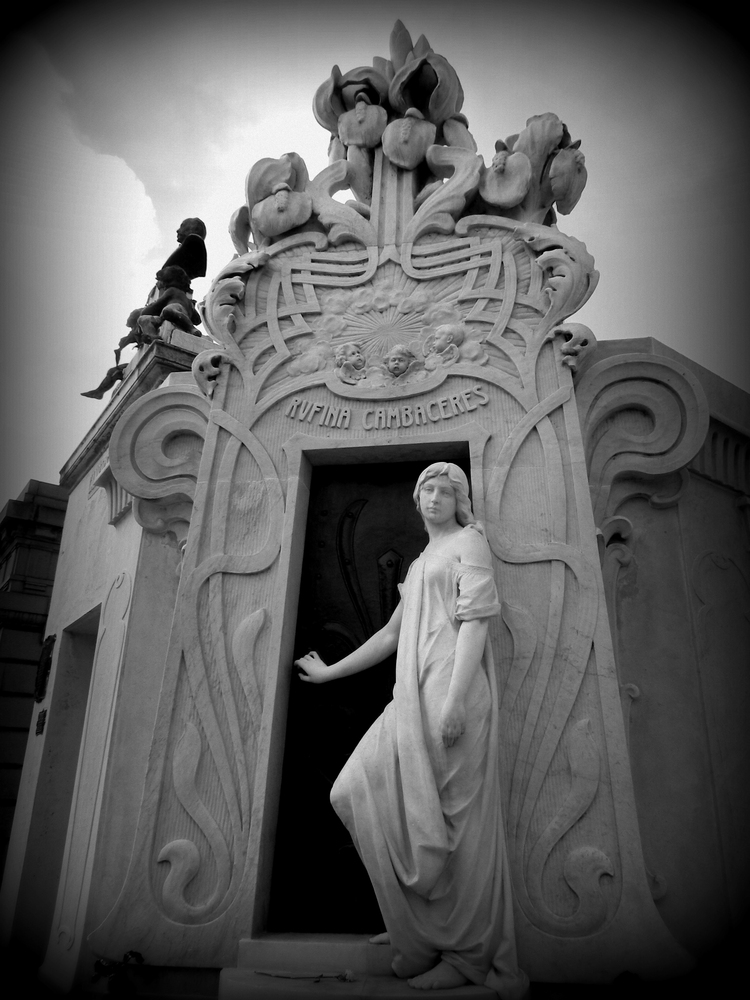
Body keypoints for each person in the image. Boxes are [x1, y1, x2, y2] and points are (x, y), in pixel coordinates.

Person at [295, 463, 528, 998]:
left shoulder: (471, 543)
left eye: (445, 491)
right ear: (415, 499)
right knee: (353, 790)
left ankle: (467, 956)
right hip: (413, 697)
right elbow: (391, 634)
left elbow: (476, 619)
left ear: (459, 500)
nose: (433, 498)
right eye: (426, 489)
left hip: (455, 694)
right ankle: (417, 930)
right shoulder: (423, 561)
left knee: (459, 832)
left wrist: (455, 701)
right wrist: (329, 672)